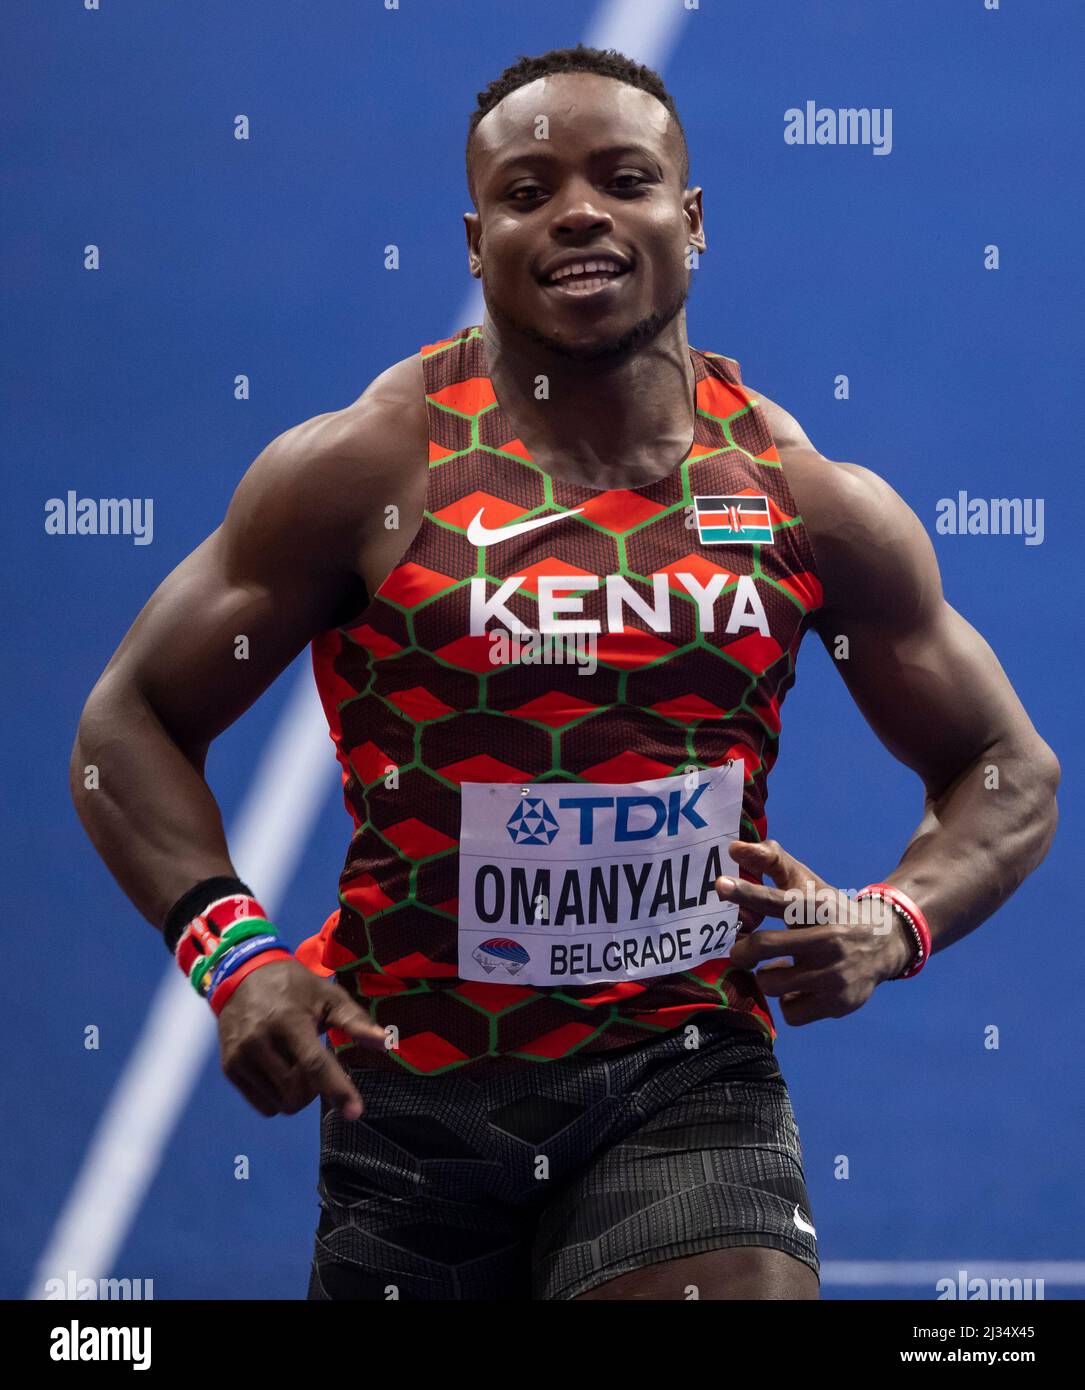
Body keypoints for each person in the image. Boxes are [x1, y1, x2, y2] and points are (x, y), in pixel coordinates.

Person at [70, 45, 1059, 1302]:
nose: (578, 209)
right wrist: (236, 953)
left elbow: (1003, 764)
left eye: (623, 178)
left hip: (684, 1068)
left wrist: (891, 920)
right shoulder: (362, 474)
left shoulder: (800, 500)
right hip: (408, 1090)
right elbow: (131, 721)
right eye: (529, 190)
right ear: (476, 240)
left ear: (687, 221)